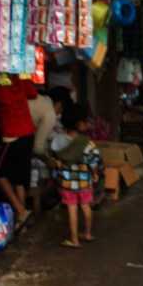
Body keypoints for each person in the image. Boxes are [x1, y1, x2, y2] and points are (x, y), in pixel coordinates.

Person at [50, 103, 101, 249]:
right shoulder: (87, 144)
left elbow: (52, 158)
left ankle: (74, 240)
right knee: (86, 207)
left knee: (72, 210)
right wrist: (95, 174)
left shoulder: (57, 140)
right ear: (80, 124)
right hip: (84, 182)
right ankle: (87, 233)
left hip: (66, 183)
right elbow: (93, 161)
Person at [0, 75, 37, 230]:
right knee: (18, 178)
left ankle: (21, 211)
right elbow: (33, 94)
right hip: (28, 131)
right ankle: (21, 223)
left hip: (12, 133)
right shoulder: (19, 76)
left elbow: (3, 102)